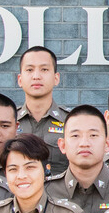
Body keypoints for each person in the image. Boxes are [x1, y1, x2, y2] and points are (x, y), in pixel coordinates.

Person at [16, 46, 71, 175]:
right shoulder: (9, 120)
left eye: (44, 69)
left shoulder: (70, 121)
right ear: (20, 79)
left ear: (56, 78)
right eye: (29, 70)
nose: (36, 76)